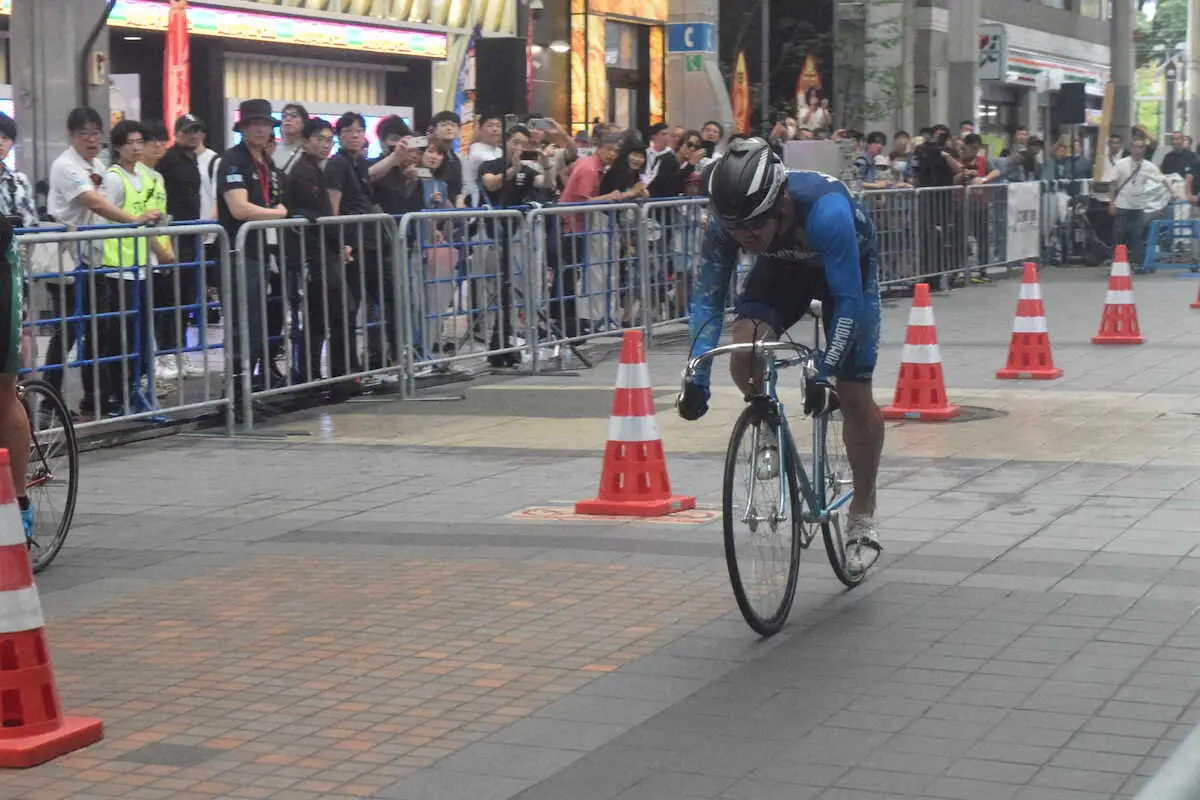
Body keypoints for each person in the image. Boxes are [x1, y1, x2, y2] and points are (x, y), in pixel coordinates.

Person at [676, 138, 884, 573]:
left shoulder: (825, 212)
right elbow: (707, 300)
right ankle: (766, 422)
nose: (745, 238)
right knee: (746, 344)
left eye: (754, 226)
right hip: (784, 272)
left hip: (844, 276)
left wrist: (825, 371)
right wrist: (696, 376)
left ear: (781, 202)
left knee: (852, 390)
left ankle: (862, 512)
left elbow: (847, 301)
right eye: (736, 229)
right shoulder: (729, 225)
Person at [98, 120, 175, 413]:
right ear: (118, 146)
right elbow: (109, 216)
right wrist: (138, 221)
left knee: (143, 334)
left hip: (144, 265)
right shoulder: (113, 178)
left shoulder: (148, 176)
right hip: (117, 267)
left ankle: (135, 388)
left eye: (139, 141)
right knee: (122, 336)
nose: (136, 147)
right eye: (130, 142)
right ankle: (121, 393)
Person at [217, 98, 288, 394]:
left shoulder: (266, 161)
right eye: (254, 124)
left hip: (262, 251)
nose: (261, 129)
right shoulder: (233, 160)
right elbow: (239, 208)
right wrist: (278, 214)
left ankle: (253, 385)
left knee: (260, 323)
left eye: (265, 124)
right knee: (241, 323)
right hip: (238, 251)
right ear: (243, 127)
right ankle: (233, 390)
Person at [282, 117, 358, 385]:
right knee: (334, 315)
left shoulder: (314, 168)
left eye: (329, 140)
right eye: (320, 139)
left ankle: (319, 374)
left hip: (323, 251)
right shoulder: (303, 171)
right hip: (314, 254)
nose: (326, 145)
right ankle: (337, 374)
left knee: (321, 317)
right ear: (306, 140)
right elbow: (315, 213)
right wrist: (337, 245)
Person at [154, 114, 209, 380]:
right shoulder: (167, 161)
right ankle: (164, 354)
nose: (193, 135)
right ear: (176, 133)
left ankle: (180, 351)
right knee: (169, 297)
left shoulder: (193, 160)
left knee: (186, 298)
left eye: (196, 131)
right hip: (173, 237)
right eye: (188, 130)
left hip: (191, 236)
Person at [1109, 134, 1171, 272]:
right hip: (1122, 205)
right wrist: (1112, 202)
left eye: (1141, 147)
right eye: (1136, 147)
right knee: (1119, 235)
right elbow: (1112, 184)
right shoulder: (1121, 164)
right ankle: (1117, 264)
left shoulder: (1148, 166)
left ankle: (1138, 263)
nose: (1138, 150)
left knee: (1137, 235)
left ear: (1144, 149)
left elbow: (1161, 178)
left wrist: (1171, 190)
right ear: (1131, 148)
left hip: (1138, 206)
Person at [273, 103, 309, 174]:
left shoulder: (308, 151)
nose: (288, 118)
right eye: (284, 116)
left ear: (304, 123)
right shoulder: (271, 148)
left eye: (294, 116)